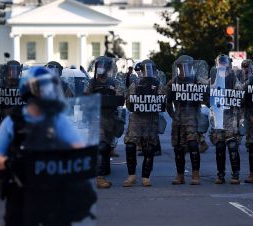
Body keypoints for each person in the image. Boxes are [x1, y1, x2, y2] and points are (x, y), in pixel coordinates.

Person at [0, 67, 92, 226]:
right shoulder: (13, 122)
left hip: (54, 193)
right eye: (43, 89)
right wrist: (9, 163)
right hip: (21, 194)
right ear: (29, 91)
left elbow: (79, 149)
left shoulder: (59, 120)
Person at [84, 56, 126, 189]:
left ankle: (101, 173)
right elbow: (86, 99)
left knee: (106, 147)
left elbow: (121, 98)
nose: (101, 69)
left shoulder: (115, 83)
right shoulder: (92, 83)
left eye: (104, 66)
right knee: (100, 147)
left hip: (110, 119)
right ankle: (99, 178)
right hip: (96, 119)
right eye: (99, 66)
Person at [123, 59, 166, 187]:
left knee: (149, 148)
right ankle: (131, 176)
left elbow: (163, 102)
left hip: (151, 119)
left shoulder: (158, 84)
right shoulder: (135, 85)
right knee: (130, 146)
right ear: (140, 71)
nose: (146, 73)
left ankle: (146, 177)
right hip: (136, 119)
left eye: (149, 70)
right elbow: (129, 103)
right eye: (144, 70)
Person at [167, 55, 208, 185]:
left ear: (191, 67)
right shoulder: (173, 82)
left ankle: (196, 175)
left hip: (193, 117)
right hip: (178, 119)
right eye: (180, 67)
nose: (183, 70)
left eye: (186, 67)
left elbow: (207, 99)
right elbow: (167, 101)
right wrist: (173, 114)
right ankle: (180, 175)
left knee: (193, 145)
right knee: (178, 148)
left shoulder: (197, 81)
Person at [0, 60, 24, 191]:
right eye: (10, 70)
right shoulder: (1, 87)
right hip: (4, 123)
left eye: (15, 70)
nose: (13, 73)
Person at [209, 54, 244, 184]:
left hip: (231, 117)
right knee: (219, 147)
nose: (222, 65)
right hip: (217, 118)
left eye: (224, 63)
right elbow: (206, 93)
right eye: (220, 63)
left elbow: (240, 93)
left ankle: (235, 174)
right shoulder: (213, 78)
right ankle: (220, 174)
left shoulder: (233, 78)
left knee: (233, 146)